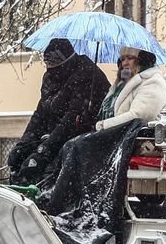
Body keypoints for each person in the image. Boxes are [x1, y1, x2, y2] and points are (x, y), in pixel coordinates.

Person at [6, 38, 110, 184]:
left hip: (82, 138)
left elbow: (71, 121)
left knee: (51, 172)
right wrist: (23, 145)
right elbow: (40, 115)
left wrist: (43, 153)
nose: (49, 67)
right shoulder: (50, 78)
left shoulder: (86, 75)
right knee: (23, 163)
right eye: (47, 62)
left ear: (66, 61)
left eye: (53, 62)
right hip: (54, 136)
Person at [93, 49, 166, 132]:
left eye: (129, 58)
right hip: (113, 136)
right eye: (122, 59)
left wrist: (104, 125)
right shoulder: (121, 84)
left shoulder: (153, 82)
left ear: (142, 60)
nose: (124, 63)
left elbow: (139, 116)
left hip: (133, 140)